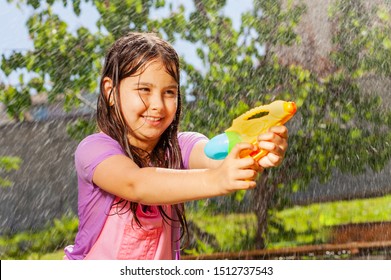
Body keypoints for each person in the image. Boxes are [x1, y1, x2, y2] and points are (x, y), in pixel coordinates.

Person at [64, 32, 289, 260]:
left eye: (169, 92)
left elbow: (217, 155)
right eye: (144, 90)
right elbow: (136, 184)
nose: (158, 105)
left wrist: (255, 149)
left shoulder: (180, 147)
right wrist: (218, 179)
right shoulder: (94, 150)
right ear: (110, 92)